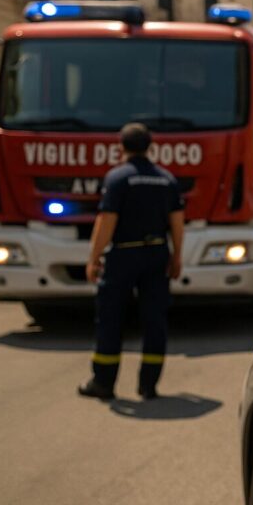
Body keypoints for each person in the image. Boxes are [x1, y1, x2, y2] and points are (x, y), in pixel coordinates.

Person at [77, 123, 184, 401]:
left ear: (120, 146)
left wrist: (93, 258)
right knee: (155, 320)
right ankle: (148, 385)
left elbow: (107, 221)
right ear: (150, 147)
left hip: (124, 254)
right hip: (157, 253)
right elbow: (177, 223)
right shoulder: (166, 179)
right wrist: (177, 256)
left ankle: (104, 383)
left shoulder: (117, 178)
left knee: (111, 318)